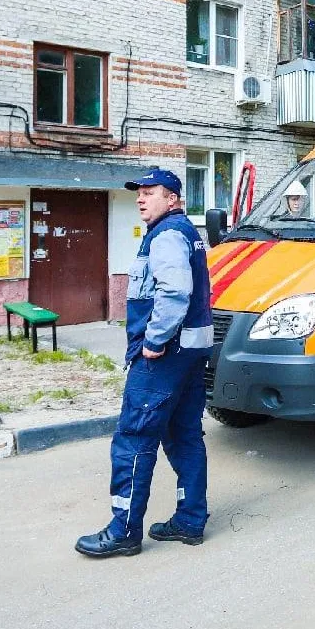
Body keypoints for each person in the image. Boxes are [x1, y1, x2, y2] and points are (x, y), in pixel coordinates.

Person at [76, 169, 214, 558]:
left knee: (134, 438)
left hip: (165, 356)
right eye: (139, 193)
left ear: (173, 199)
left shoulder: (167, 234)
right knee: (184, 435)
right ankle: (190, 520)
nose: (141, 198)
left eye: (150, 192)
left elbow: (175, 291)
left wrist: (154, 341)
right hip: (191, 352)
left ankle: (123, 531)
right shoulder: (187, 232)